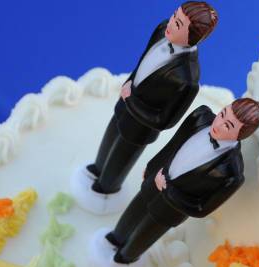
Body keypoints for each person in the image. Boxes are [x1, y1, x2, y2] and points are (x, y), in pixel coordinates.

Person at [89, 98, 259, 267]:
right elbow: (172, 145)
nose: (218, 124)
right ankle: (115, 238)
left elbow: (201, 209)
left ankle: (123, 260)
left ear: (241, 135)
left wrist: (168, 191)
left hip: (170, 209)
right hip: (154, 181)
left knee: (144, 236)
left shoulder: (231, 173)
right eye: (222, 114)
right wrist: (152, 167)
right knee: (133, 213)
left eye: (227, 126)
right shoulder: (200, 116)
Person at [76, 2, 218, 213]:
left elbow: (166, 121)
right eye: (173, 16)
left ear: (193, 37)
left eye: (178, 24)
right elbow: (143, 61)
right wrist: (130, 83)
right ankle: (97, 169)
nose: (170, 23)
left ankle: (105, 191)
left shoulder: (186, 79)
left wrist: (132, 101)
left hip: (139, 130)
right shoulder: (162, 30)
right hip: (123, 106)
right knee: (108, 142)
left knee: (118, 161)